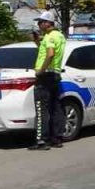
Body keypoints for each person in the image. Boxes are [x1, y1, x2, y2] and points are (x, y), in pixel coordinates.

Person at [30, 11, 67, 151]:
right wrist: (36, 41)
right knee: (55, 107)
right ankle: (56, 138)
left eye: (40, 22)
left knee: (42, 108)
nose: (39, 25)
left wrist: (41, 70)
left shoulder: (50, 36)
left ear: (48, 23)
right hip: (55, 75)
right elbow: (47, 51)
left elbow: (50, 54)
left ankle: (42, 140)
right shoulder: (59, 36)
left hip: (45, 76)